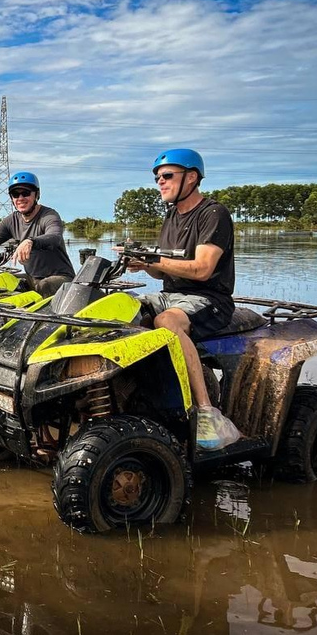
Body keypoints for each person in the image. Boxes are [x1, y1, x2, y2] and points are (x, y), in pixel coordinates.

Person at [127, 148, 238, 450]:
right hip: (171, 294)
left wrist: (155, 260)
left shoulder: (214, 214)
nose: (159, 182)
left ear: (191, 177)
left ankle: (205, 412)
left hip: (209, 299)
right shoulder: (171, 216)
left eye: (166, 176)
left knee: (166, 321)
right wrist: (143, 263)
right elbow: (162, 275)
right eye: (157, 178)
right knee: (120, 311)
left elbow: (202, 270)